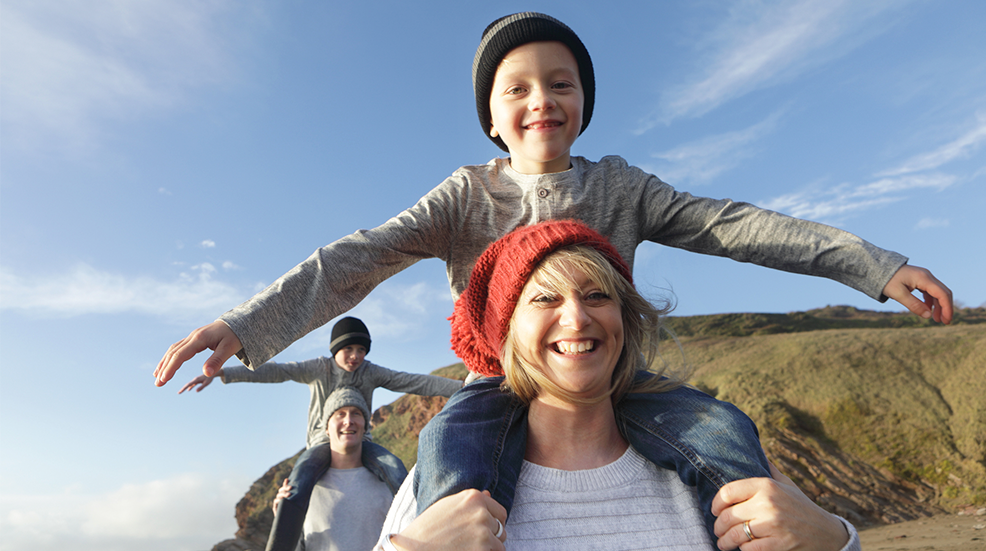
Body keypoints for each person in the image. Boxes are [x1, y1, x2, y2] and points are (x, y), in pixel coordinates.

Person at [153, 8, 948, 544]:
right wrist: (248, 325)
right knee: (446, 456)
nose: (543, 99)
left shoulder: (622, 189)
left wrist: (874, 266)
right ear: (492, 117)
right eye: (518, 88)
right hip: (493, 385)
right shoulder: (466, 195)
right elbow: (357, 257)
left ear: (584, 103)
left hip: (616, 379)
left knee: (722, 427)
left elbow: (735, 224)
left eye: (561, 83)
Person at [375, 219, 860, 551]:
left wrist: (836, 541)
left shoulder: (727, 466)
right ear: (506, 333)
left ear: (623, 319)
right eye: (544, 298)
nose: (577, 317)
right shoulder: (440, 478)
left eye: (596, 295)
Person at [179, 316, 461, 551]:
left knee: (395, 468)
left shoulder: (370, 372)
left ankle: (417, 528)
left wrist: (463, 387)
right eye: (349, 349)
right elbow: (278, 372)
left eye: (362, 351)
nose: (356, 356)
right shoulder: (318, 368)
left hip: (360, 441)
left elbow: (412, 381)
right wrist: (221, 374)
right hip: (320, 444)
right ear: (335, 348)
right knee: (296, 486)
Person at [271, 386, 406, 551]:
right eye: (340, 414)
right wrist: (283, 517)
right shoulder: (304, 488)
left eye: (356, 413)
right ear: (327, 428)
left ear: (365, 426)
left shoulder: (388, 484)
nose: (348, 421)